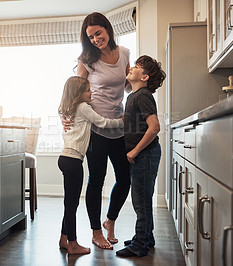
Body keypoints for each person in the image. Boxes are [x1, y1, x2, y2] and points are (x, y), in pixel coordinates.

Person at [75, 12, 131, 250]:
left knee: (125, 177)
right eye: (91, 36)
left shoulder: (125, 53)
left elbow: (128, 84)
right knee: (96, 180)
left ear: (107, 29)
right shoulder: (87, 60)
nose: (96, 39)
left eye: (98, 33)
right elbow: (75, 92)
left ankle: (110, 220)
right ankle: (96, 232)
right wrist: (66, 116)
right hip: (95, 127)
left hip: (119, 125)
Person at [57, 76, 124, 255]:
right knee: (71, 205)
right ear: (79, 94)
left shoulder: (67, 108)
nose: (91, 92)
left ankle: (64, 238)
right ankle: (72, 244)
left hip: (65, 158)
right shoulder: (84, 107)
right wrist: (122, 121)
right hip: (73, 161)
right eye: (87, 90)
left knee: (69, 203)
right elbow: (103, 122)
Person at [116, 55, 166, 257]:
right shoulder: (134, 96)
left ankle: (140, 245)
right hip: (144, 156)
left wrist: (135, 151)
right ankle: (146, 237)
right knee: (142, 199)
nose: (131, 67)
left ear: (144, 76)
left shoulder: (143, 95)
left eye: (136, 67)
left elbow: (154, 127)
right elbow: (138, 122)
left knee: (140, 201)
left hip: (145, 155)